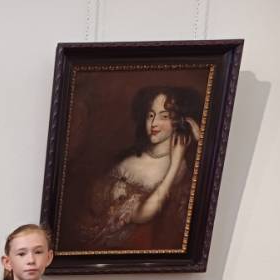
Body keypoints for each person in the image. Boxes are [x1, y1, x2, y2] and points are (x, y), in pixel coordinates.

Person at [79, 86, 203, 249]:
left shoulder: (179, 168)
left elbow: (142, 215)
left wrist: (175, 163)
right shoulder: (129, 157)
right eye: (151, 115)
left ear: (180, 122)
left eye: (164, 116)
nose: (153, 123)